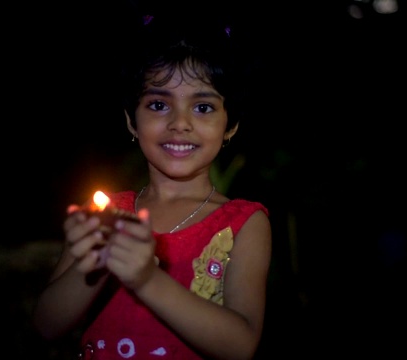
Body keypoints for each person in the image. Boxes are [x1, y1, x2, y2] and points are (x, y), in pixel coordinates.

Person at [33, 12, 272, 360]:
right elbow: (45, 325)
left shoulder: (244, 223)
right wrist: (97, 263)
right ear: (132, 119)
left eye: (203, 107)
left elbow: (241, 345)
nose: (179, 123)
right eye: (158, 105)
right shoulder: (108, 215)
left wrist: (145, 279)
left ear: (230, 125)